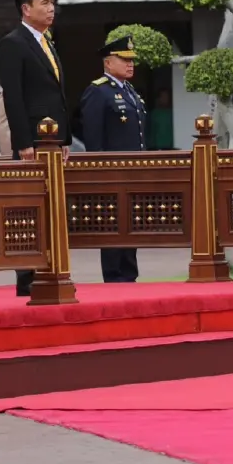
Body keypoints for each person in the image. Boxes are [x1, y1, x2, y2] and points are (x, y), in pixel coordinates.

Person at [0, 0, 69, 297]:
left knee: (50, 206)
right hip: (31, 143)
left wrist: (64, 139)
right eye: (44, 3)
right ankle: (27, 277)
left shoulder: (47, 42)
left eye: (52, 2)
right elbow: (14, 97)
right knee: (27, 208)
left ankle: (51, 269)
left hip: (53, 142)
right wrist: (23, 143)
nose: (51, 8)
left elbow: (56, 95)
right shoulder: (13, 43)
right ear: (26, 8)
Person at [81, 36, 148, 283]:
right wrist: (99, 173)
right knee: (113, 225)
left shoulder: (130, 92)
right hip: (112, 174)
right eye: (124, 59)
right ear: (108, 63)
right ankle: (114, 276)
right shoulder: (99, 91)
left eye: (132, 60)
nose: (130, 64)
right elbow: (94, 139)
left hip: (134, 172)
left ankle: (129, 274)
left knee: (131, 224)